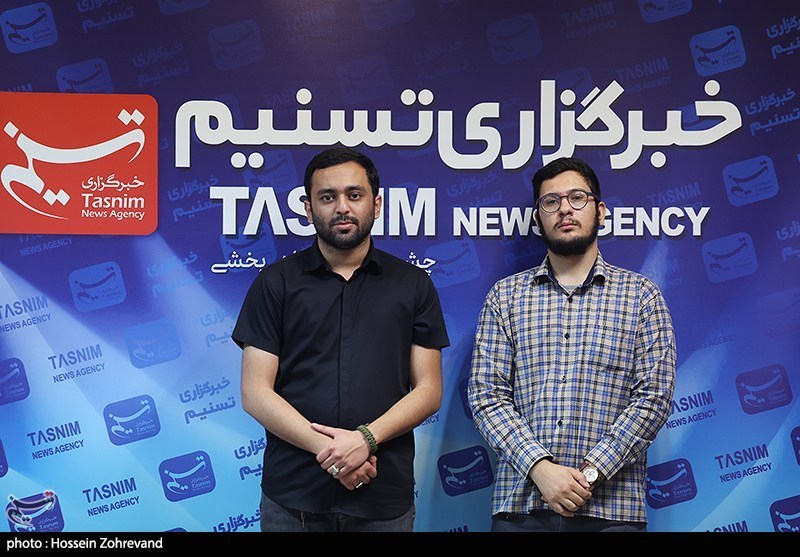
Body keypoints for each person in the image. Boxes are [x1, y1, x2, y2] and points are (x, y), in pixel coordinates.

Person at [232, 146, 450, 532]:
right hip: (294, 498)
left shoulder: (414, 285)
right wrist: (335, 454)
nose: (342, 207)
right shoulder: (275, 283)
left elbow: (429, 390)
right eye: (327, 197)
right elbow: (255, 393)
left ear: (376, 204)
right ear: (308, 208)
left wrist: (366, 439)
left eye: (354, 194)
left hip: (382, 494)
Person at [467, 156, 676, 532]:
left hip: (612, 512)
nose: (565, 208)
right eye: (551, 201)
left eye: (577, 197)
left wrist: (590, 473)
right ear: (537, 219)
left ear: (601, 211)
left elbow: (653, 400)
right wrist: (541, 470)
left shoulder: (641, 296)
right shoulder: (505, 297)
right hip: (522, 509)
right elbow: (487, 398)